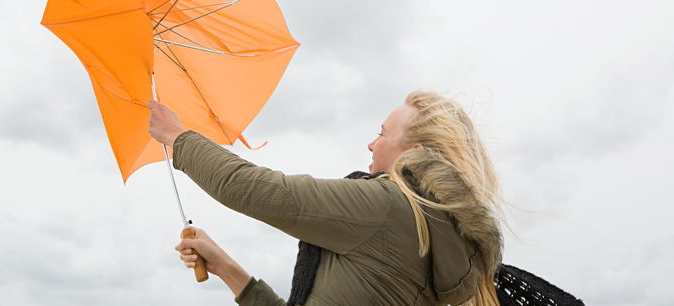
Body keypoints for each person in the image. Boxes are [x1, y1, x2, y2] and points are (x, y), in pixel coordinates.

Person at [147, 91, 504, 305]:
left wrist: (177, 136)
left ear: (416, 152)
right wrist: (225, 266)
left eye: (381, 134)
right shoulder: (440, 232)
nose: (371, 143)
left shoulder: (387, 208)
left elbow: (252, 188)